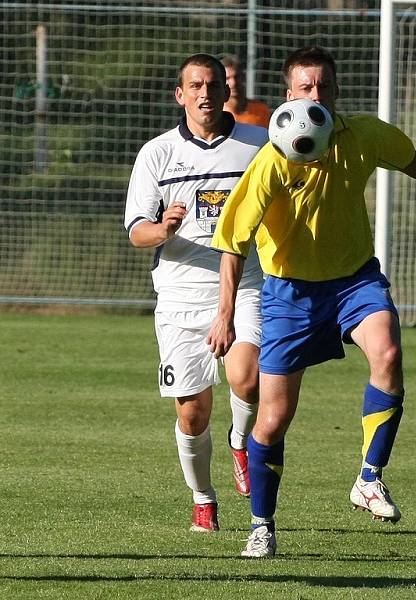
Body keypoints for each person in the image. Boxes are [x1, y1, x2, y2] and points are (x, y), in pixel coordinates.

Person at [207, 46, 416, 558]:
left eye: (324, 87)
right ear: (288, 96)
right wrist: (225, 315)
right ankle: (262, 525)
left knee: (389, 354)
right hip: (290, 295)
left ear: (336, 91)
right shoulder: (270, 160)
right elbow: (232, 240)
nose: (316, 96)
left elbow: (406, 157)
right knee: (273, 419)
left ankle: (369, 477)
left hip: (355, 280)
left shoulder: (362, 134)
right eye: (305, 88)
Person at [124, 53, 268, 533]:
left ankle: (241, 442)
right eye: (195, 85)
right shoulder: (157, 153)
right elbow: (136, 231)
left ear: (227, 92)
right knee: (192, 410)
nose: (205, 93)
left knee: (247, 378)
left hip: (245, 283)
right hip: (180, 294)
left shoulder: (259, 144)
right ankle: (203, 498)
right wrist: (163, 227)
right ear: (180, 95)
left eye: (212, 84)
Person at [221, 54, 272, 127]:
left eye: (236, 77)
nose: (233, 83)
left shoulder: (261, 110)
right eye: (227, 78)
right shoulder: (215, 114)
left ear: (243, 77)